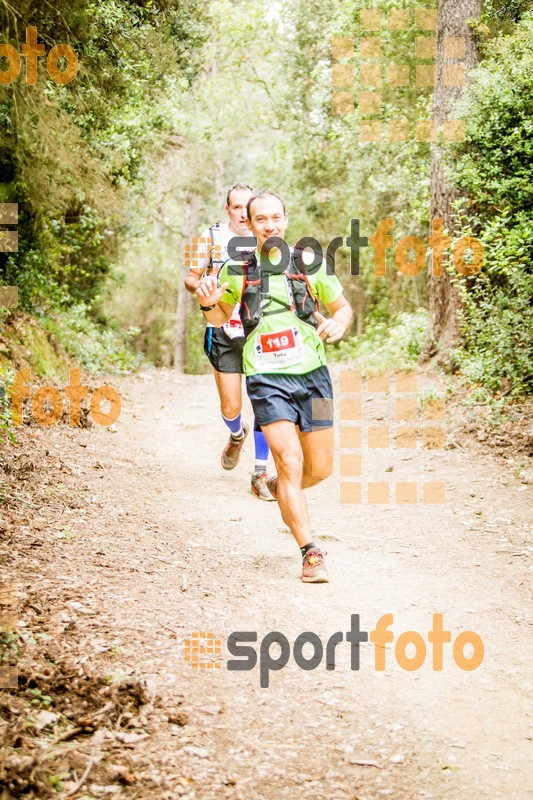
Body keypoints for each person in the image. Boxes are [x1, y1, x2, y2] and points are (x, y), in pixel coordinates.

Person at [195, 190, 353, 582]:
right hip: (266, 378)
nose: (270, 225)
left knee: (321, 467)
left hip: (315, 376)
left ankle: (280, 488)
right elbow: (218, 319)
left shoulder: (310, 262)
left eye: (275, 217)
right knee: (289, 461)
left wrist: (340, 324)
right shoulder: (237, 269)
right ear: (248, 224)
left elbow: (343, 308)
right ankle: (309, 551)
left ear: (286, 218)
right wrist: (207, 303)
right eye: (260, 219)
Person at [184, 183, 274, 501]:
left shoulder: (266, 236)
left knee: (265, 400)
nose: (241, 213)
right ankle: (236, 435)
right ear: (228, 210)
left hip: (258, 328)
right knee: (231, 405)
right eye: (236, 207)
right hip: (223, 327)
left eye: (246, 207)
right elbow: (190, 275)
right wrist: (202, 287)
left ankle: (260, 473)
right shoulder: (210, 236)